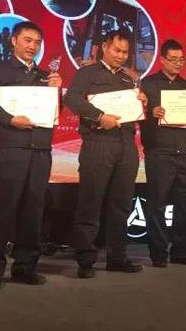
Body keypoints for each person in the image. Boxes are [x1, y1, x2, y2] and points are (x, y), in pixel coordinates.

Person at [0, 21, 62, 291]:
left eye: (37, 42)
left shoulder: (46, 76)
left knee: (34, 211)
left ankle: (25, 267)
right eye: (27, 40)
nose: (32, 46)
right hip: (10, 149)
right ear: (14, 41)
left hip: (40, 150)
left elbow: (54, 114)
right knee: (2, 210)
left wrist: (57, 91)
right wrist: (10, 119)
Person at [64, 29, 147, 278]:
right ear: (104, 47)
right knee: (90, 203)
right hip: (98, 143)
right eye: (116, 50)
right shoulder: (87, 73)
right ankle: (86, 261)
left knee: (121, 204)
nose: (121, 56)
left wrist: (141, 102)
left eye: (125, 52)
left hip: (126, 145)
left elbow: (135, 111)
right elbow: (72, 99)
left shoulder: (129, 79)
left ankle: (117, 257)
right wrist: (99, 116)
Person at [140, 39, 186, 267]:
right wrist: (151, 112)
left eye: (181, 59)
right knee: (157, 204)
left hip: (185, 152)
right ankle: (158, 253)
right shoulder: (147, 84)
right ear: (162, 60)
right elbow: (136, 114)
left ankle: (181, 251)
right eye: (173, 59)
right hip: (160, 152)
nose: (178, 63)